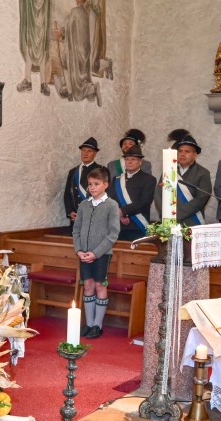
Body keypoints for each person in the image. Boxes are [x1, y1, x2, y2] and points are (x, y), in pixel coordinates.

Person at [73, 166, 120, 338]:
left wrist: (96, 253)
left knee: (100, 285)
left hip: (102, 254)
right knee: (87, 285)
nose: (92, 187)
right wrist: (79, 250)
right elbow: (76, 230)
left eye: (96, 184)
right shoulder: (84, 205)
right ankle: (89, 323)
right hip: (84, 253)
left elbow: (113, 233)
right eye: (90, 184)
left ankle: (97, 325)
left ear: (105, 185)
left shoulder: (111, 205)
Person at [155, 134, 211, 226]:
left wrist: (176, 215)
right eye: (180, 151)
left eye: (187, 151)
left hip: (192, 222)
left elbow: (201, 199)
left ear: (195, 154)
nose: (182, 154)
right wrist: (166, 213)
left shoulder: (203, 173)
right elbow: (158, 194)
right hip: (168, 220)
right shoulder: (168, 169)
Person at [107, 146, 156, 242]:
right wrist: (120, 215)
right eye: (127, 159)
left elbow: (144, 202)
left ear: (140, 162)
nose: (129, 162)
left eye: (133, 159)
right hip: (118, 226)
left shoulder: (149, 179)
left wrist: (123, 211)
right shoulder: (116, 179)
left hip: (137, 226)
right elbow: (111, 199)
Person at [63, 137, 102, 230]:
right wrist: (70, 212)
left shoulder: (101, 171)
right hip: (76, 219)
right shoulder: (73, 171)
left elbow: (104, 196)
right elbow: (67, 194)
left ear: (95, 153)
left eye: (89, 151)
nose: (85, 153)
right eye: (83, 150)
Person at [17, 0, 52, 95]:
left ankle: (32, 81)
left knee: (35, 48)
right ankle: (40, 83)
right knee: (37, 48)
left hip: (36, 22)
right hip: (38, 22)